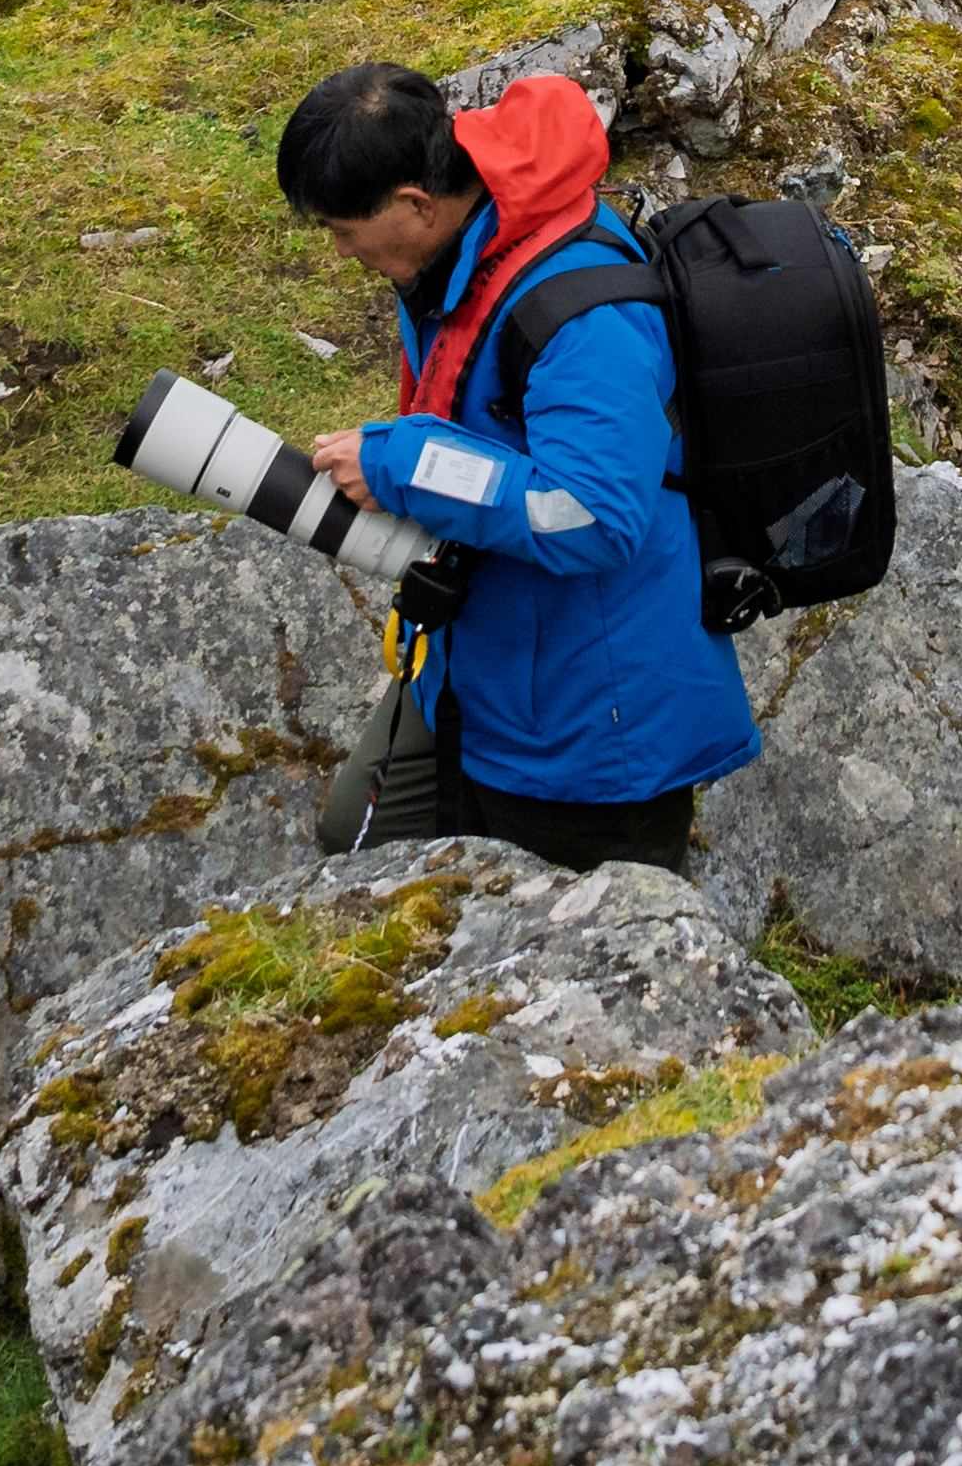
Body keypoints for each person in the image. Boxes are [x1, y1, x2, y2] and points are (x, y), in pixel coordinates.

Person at [275, 60, 761, 869]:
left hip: (593, 727)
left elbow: (594, 517)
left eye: (341, 229)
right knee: (355, 848)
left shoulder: (588, 317)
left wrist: (402, 464)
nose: (337, 250)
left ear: (413, 204)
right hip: (478, 665)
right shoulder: (460, 251)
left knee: (590, 963)